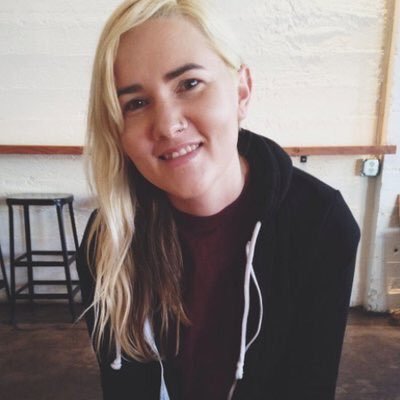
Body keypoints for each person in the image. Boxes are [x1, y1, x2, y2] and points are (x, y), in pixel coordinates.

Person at [77, 0, 361, 399]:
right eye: (136, 103)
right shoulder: (109, 239)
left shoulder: (320, 223)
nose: (167, 125)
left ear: (241, 90)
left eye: (189, 84)